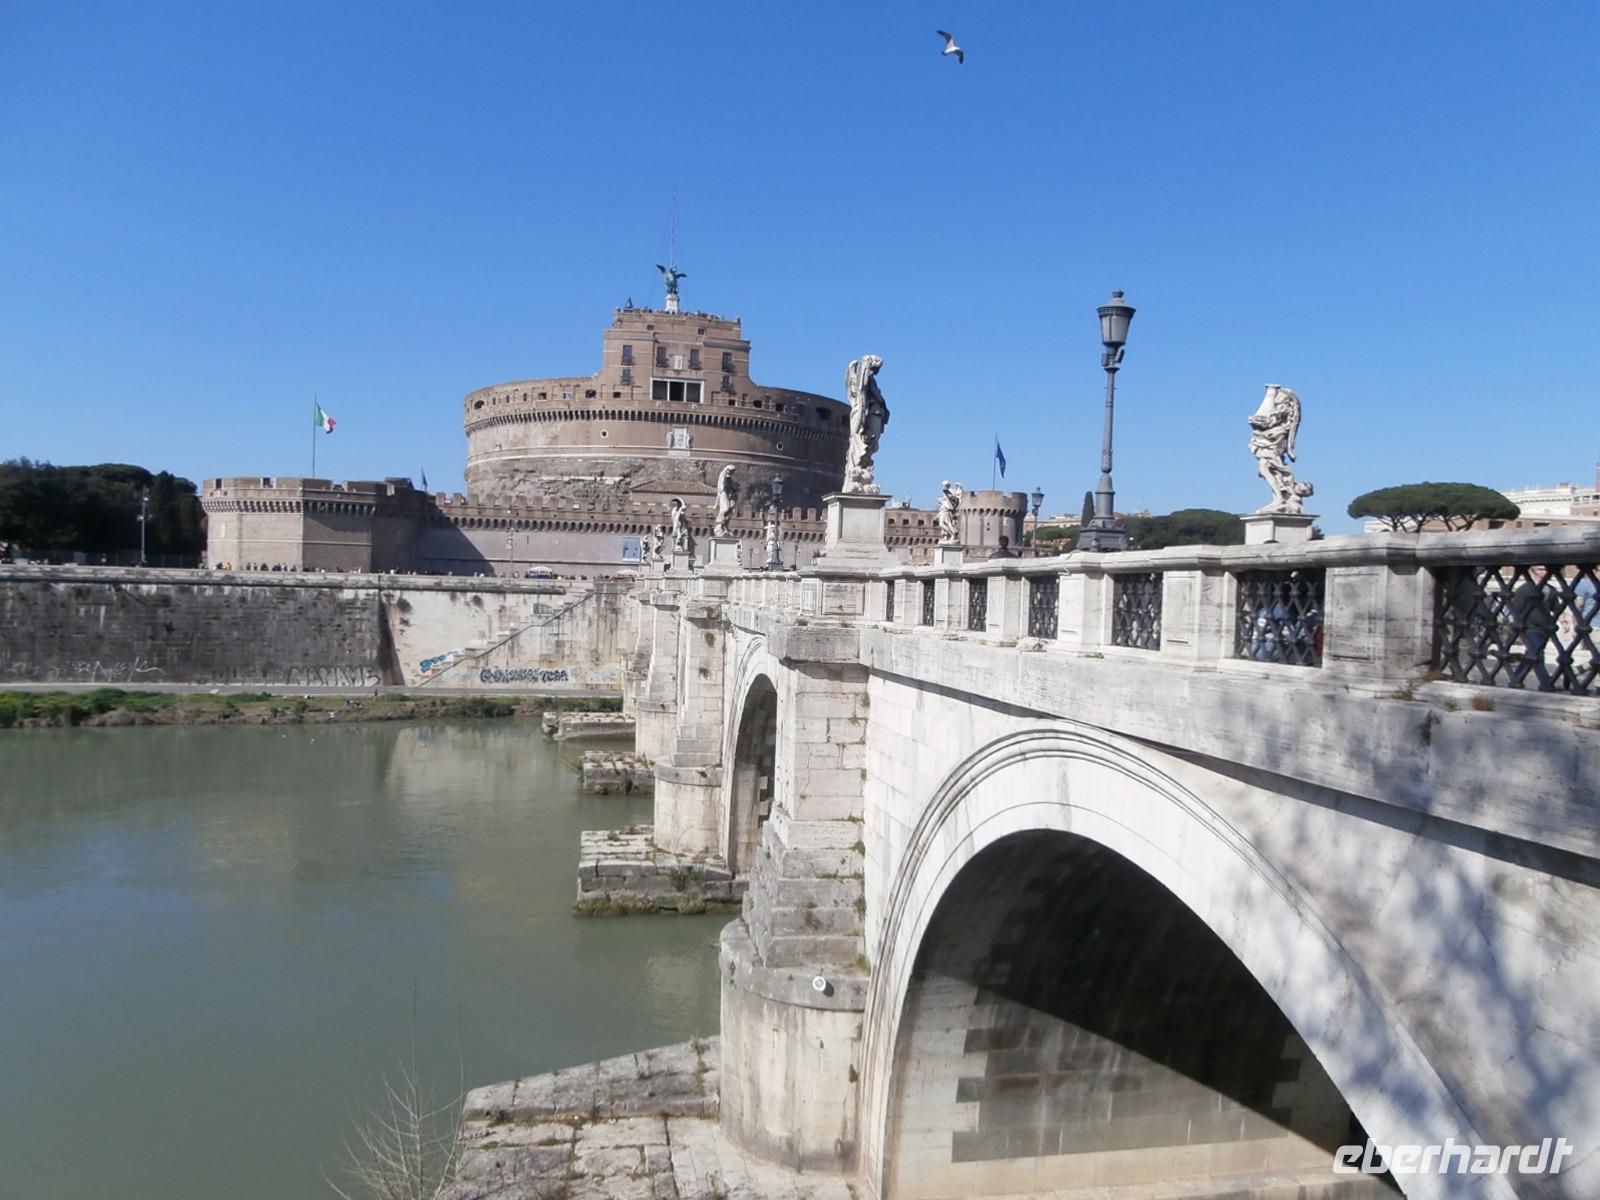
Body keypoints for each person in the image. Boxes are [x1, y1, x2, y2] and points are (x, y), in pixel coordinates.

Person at [1509, 566, 1559, 689]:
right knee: (1537, 654)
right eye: (1540, 569)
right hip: (1529, 627)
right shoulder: (1525, 589)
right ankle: (1546, 682)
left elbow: (1556, 608)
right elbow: (1517, 609)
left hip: (1545, 627)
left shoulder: (1551, 590)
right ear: (1534, 571)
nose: (1544, 571)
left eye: (1546, 569)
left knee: (1531, 655)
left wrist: (1564, 621)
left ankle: (1516, 678)